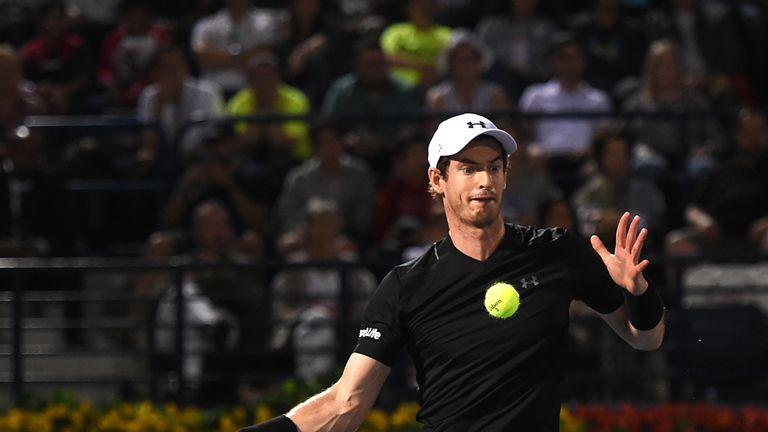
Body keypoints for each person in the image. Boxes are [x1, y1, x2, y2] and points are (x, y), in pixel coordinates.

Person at [239, 112, 665, 431]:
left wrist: (638, 292)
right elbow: (345, 404)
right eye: (468, 168)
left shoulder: (557, 253)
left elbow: (645, 338)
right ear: (437, 179)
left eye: (494, 167)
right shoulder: (406, 286)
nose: (485, 180)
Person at [519, 32, 613, 196]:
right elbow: (522, 133)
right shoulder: (535, 95)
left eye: (575, 58)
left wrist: (594, 159)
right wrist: (530, 148)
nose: (570, 64)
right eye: (564, 58)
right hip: (545, 164)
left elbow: (604, 138)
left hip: (585, 166)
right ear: (555, 61)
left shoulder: (598, 99)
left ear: (583, 61)